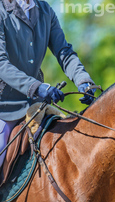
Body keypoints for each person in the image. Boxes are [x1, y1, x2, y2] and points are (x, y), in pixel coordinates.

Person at [0, 0, 96, 167]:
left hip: (36, 105)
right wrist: (36, 87)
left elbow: (64, 51)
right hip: (5, 107)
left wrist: (83, 80)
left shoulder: (45, 10)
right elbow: (1, 63)